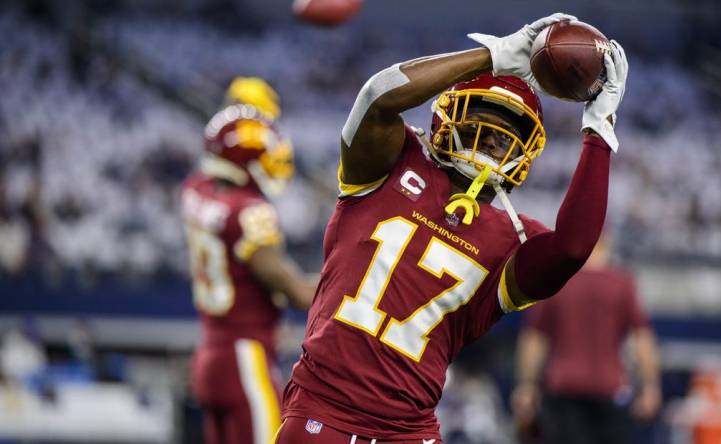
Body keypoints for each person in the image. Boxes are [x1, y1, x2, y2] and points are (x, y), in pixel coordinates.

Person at [275, 12, 630, 443]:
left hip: (409, 429)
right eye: (481, 117)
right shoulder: (391, 161)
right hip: (323, 409)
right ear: (445, 116)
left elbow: (574, 248)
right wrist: (493, 56)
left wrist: (598, 130)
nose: (491, 137)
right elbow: (378, 96)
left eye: (505, 135)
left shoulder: (513, 239)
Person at [182, 77, 316, 444]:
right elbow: (300, 294)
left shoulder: (196, 190)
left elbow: (217, 152)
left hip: (209, 352)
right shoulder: (250, 212)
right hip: (245, 358)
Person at [511, 237, 661, 444]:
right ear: (606, 246)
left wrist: (527, 386)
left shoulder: (556, 281)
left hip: (563, 390)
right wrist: (650, 386)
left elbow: (534, 340)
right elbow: (642, 339)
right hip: (610, 390)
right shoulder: (622, 283)